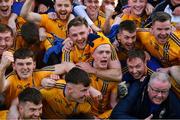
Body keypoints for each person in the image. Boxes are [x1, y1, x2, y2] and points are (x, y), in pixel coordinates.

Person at [62, 16, 122, 82]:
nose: (79, 38)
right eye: (74, 35)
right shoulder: (68, 47)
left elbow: (118, 75)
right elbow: (66, 76)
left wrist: (92, 70)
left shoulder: (103, 42)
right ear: (69, 35)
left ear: (89, 31)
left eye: (82, 33)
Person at [76, 34, 118, 118]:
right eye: (100, 52)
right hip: (82, 114)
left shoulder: (113, 77)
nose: (105, 55)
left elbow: (113, 104)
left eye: (108, 52)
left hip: (102, 115)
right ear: (93, 54)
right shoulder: (82, 68)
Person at [111, 72, 180, 119]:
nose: (159, 95)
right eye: (156, 90)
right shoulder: (136, 89)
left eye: (164, 91)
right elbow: (116, 115)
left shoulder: (173, 100)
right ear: (148, 88)